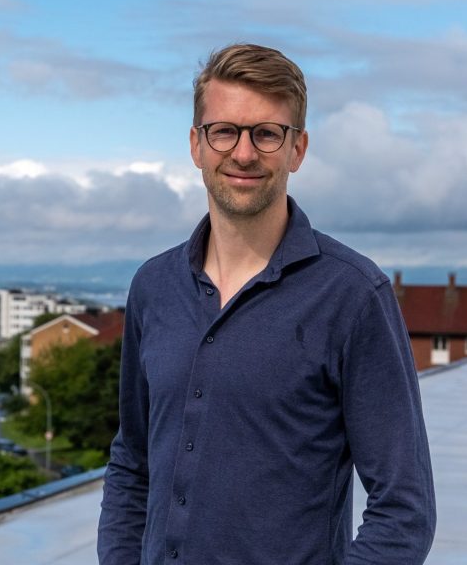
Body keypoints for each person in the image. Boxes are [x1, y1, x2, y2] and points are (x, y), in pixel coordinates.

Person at [97, 44, 436, 564]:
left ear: (297, 149)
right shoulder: (153, 287)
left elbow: (404, 507)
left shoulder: (351, 294)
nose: (244, 153)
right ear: (196, 144)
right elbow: (132, 462)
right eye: (224, 130)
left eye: (267, 133)